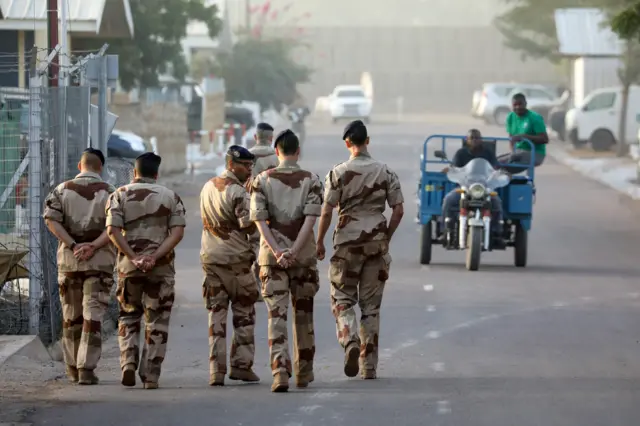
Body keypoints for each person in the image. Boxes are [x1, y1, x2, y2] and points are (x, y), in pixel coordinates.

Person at [316, 120, 404, 380]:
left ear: (347, 143)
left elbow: (326, 210)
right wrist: (385, 237)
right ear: (368, 141)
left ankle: (349, 339)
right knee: (371, 308)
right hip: (375, 244)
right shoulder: (385, 172)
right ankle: (369, 366)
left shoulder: (338, 173)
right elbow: (398, 210)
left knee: (342, 299)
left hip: (346, 245)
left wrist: (319, 241)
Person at [105, 152, 186, 390]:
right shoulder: (171, 197)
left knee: (129, 317)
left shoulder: (118, 195)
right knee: (157, 321)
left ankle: (128, 363)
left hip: (128, 269)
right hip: (160, 270)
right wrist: (153, 257)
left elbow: (112, 230)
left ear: (134, 173)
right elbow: (177, 233)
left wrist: (133, 257)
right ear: (156, 174)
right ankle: (151, 376)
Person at [250, 129, 322, 392]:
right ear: (298, 151)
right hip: (302, 258)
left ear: (276, 151)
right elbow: (310, 220)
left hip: (272, 260)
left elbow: (259, 220)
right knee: (304, 315)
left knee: (276, 315)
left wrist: (278, 251)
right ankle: (304, 371)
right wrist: (294, 250)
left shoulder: (261, 180)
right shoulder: (312, 180)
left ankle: (280, 371)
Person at [42, 148, 116, 385]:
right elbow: (114, 227)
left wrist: (73, 245)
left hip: (69, 262)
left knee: (70, 316)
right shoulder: (111, 192)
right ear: (100, 167)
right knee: (92, 315)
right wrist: (93, 246)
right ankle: (87, 368)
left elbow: (51, 220)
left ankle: (72, 367)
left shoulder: (61, 190)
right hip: (99, 262)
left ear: (80, 166)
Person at [200, 145, 260, 387]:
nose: (249, 170)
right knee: (244, 313)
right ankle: (241, 365)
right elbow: (249, 225)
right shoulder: (238, 192)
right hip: (236, 261)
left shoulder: (207, 186)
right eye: (245, 165)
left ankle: (216, 370)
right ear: (232, 164)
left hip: (211, 259)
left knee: (216, 315)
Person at [441, 129, 504, 241]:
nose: (475, 140)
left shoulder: (488, 153)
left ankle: (496, 231)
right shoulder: (461, 153)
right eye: (472, 138)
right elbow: (455, 168)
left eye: (477, 138)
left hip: (484, 188)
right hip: (465, 187)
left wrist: (501, 172)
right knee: (448, 200)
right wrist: (449, 170)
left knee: (497, 203)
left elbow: (495, 168)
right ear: (467, 140)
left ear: (481, 140)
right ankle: (445, 229)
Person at [248, 122, 279, 302]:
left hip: (247, 207)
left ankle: (252, 285)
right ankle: (265, 283)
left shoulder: (245, 156)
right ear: (271, 138)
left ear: (255, 137)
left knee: (249, 246)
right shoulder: (276, 158)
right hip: (269, 209)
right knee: (266, 245)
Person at [497, 93, 548, 174]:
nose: (518, 107)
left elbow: (545, 139)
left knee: (504, 165)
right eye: (515, 105)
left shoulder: (534, 118)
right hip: (518, 152)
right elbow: (511, 138)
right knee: (495, 162)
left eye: (520, 104)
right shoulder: (510, 117)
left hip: (536, 153)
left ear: (525, 104)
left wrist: (525, 137)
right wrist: (513, 152)